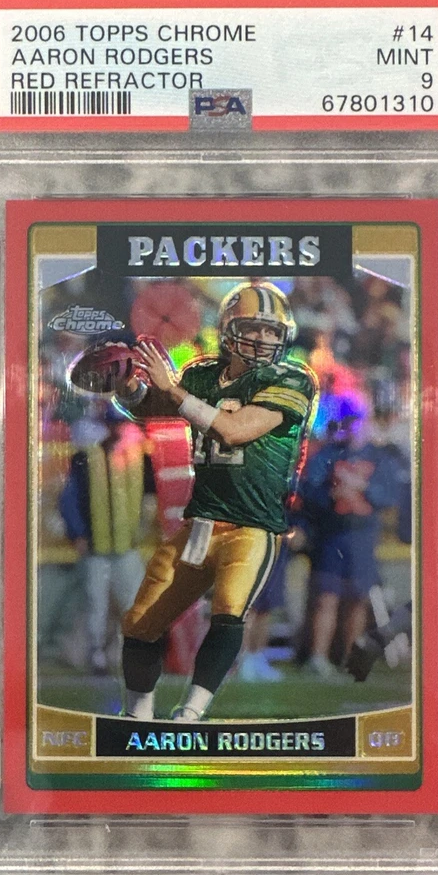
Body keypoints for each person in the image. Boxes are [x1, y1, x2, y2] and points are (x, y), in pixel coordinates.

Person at [113, 282, 317, 721]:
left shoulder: (289, 380)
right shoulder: (204, 375)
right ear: (228, 330)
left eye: (271, 330)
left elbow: (234, 430)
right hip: (200, 524)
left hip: (251, 525)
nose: (263, 338)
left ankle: (190, 713)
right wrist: (125, 386)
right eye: (253, 328)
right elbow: (151, 406)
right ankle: (137, 715)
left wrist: (175, 391)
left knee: (228, 611)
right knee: (140, 622)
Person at [299, 400, 411, 677]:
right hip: (331, 535)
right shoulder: (328, 455)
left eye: (357, 422)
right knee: (326, 597)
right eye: (348, 423)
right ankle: (318, 657)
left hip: (363, 536)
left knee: (358, 599)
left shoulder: (380, 457)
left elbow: (389, 496)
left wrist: (363, 488)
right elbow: (309, 491)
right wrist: (330, 495)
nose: (352, 429)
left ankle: (349, 657)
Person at [58, 406, 153, 674]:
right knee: (96, 603)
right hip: (96, 545)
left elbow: (148, 496)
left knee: (133, 601)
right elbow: (69, 498)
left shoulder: (135, 455)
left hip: (126, 545)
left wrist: (142, 527)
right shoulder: (86, 457)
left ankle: (127, 652)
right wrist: (77, 533)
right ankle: (97, 654)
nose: (115, 430)